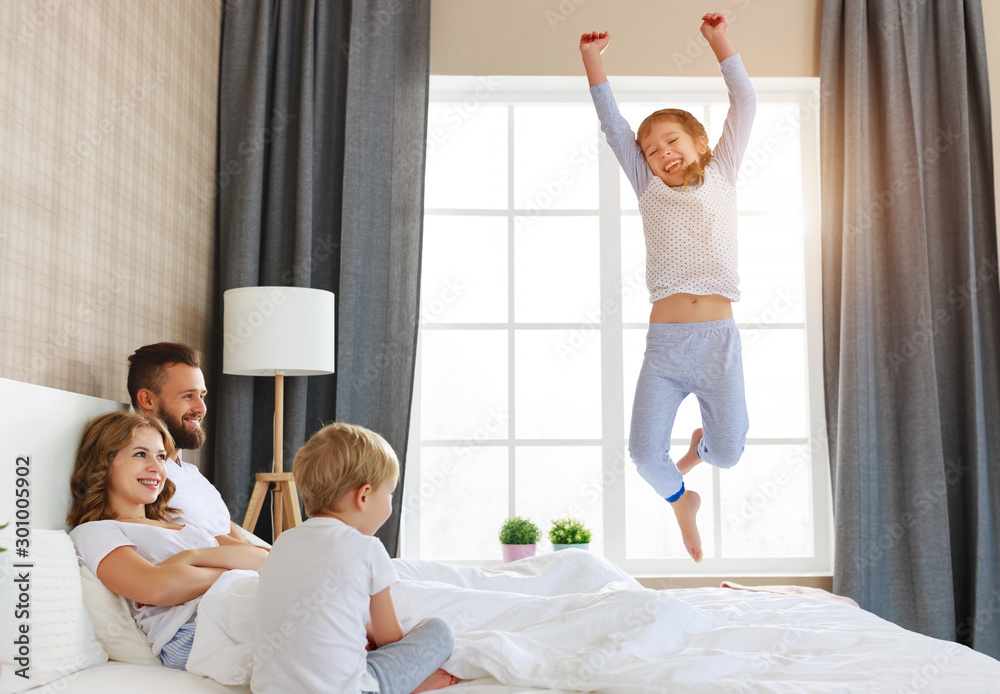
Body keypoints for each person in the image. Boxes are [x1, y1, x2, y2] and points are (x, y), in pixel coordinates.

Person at [580, 12, 756, 562]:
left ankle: (701, 448)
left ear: (699, 142)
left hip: (718, 342)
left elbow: (745, 103)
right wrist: (592, 59)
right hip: (666, 350)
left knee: (728, 454)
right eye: (652, 150)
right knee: (642, 453)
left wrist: (718, 41)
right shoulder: (646, 187)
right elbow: (614, 127)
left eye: (672, 140)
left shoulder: (723, 171)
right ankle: (683, 501)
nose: (662, 153)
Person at [252, 422, 458, 694]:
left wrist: (363, 630)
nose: (390, 503)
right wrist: (379, 637)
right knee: (439, 631)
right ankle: (413, 683)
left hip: (269, 690)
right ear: (363, 496)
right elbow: (390, 642)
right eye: (390, 493)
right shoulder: (368, 548)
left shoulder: (282, 543)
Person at [67, 411, 268, 669]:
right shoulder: (97, 532)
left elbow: (260, 557)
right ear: (104, 463)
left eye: (161, 456)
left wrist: (191, 558)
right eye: (140, 454)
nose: (156, 467)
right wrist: (227, 570)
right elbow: (157, 587)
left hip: (236, 603)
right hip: (194, 628)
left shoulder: (182, 524)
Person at [127, 342, 247, 543]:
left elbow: (227, 531)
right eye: (188, 396)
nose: (201, 408)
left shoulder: (192, 473)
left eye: (202, 396)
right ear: (148, 400)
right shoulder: (146, 478)